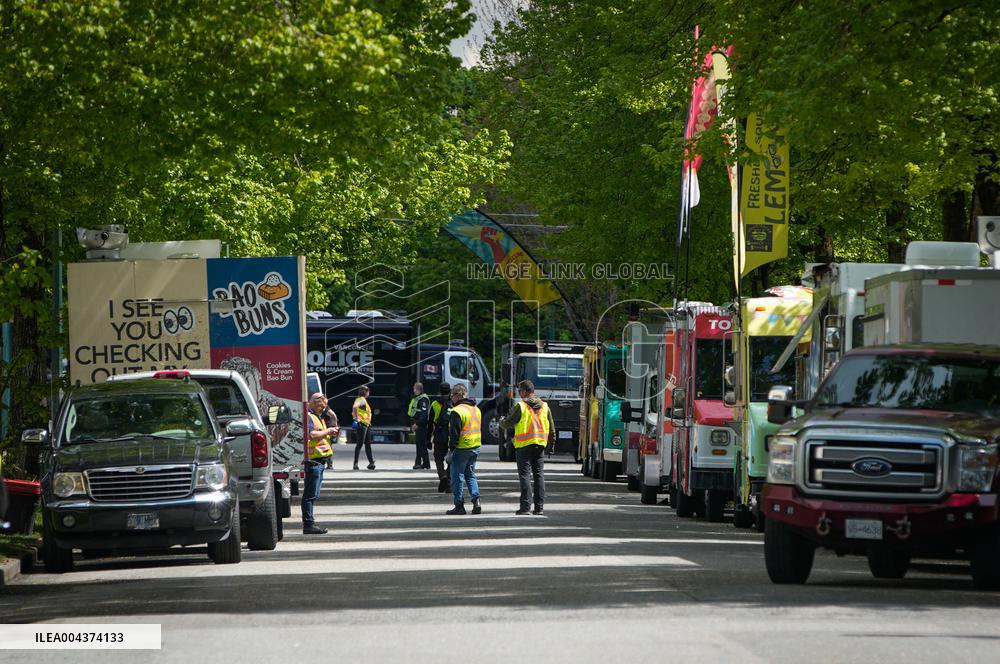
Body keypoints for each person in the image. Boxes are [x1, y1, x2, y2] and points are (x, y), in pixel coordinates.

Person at [501, 379, 555, 515]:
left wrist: (501, 421)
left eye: (520, 391)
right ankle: (539, 508)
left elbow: (508, 423)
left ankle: (525, 507)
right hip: (540, 445)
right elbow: (552, 429)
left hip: (524, 445)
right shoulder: (545, 406)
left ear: (525, 391)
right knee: (539, 475)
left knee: (525, 475)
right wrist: (551, 446)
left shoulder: (521, 406)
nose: (519, 394)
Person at [303, 392, 338, 534]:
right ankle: (308, 524)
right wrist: (328, 431)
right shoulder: (310, 416)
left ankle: (309, 523)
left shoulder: (319, 417)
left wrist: (333, 421)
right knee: (310, 495)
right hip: (313, 461)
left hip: (320, 461)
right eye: (321, 406)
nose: (323, 409)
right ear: (315, 402)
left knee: (313, 494)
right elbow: (312, 435)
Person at [446, 383, 482, 515]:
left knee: (457, 477)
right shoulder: (476, 409)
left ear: (459, 395)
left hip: (461, 448)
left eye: (453, 395)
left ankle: (459, 505)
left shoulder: (457, 411)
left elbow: (454, 433)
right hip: (475, 446)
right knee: (471, 474)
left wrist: (451, 450)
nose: (451, 398)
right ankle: (476, 500)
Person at [430, 382, 453, 493]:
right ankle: (448, 483)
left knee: (438, 458)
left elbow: (429, 423)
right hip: (451, 435)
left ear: (439, 391)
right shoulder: (454, 403)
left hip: (439, 435)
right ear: (450, 391)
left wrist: (427, 439)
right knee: (451, 460)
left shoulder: (434, 404)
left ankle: (442, 475)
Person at [407, 382, 432, 470]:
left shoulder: (423, 399)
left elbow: (424, 414)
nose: (413, 390)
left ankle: (418, 463)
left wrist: (417, 424)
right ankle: (426, 463)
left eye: (414, 388)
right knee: (422, 445)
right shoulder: (418, 398)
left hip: (421, 425)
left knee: (420, 445)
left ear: (418, 389)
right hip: (418, 424)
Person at [352, 385, 375, 470]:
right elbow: (355, 407)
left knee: (368, 444)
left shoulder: (363, 400)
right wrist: (356, 419)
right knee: (360, 444)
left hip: (366, 424)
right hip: (362, 425)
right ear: (366, 392)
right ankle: (355, 463)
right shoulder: (361, 400)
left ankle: (371, 463)